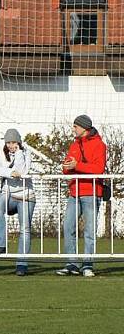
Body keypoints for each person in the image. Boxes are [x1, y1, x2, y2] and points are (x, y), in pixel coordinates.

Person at [57, 115, 107, 277]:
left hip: (92, 193)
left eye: (75, 127)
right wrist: (68, 166)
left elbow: (98, 169)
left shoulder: (99, 145)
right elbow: (66, 168)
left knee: (89, 231)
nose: (73, 129)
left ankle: (87, 265)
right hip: (74, 192)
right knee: (68, 227)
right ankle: (71, 264)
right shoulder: (74, 144)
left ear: (84, 128)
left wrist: (77, 165)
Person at [0, 129, 36, 276]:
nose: (11, 145)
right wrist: (9, 173)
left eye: (14, 142)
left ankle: (21, 264)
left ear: (19, 142)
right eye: (8, 142)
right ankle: (1, 244)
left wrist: (18, 153)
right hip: (8, 194)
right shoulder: (1, 152)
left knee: (25, 229)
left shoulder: (25, 152)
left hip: (25, 195)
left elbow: (23, 170)